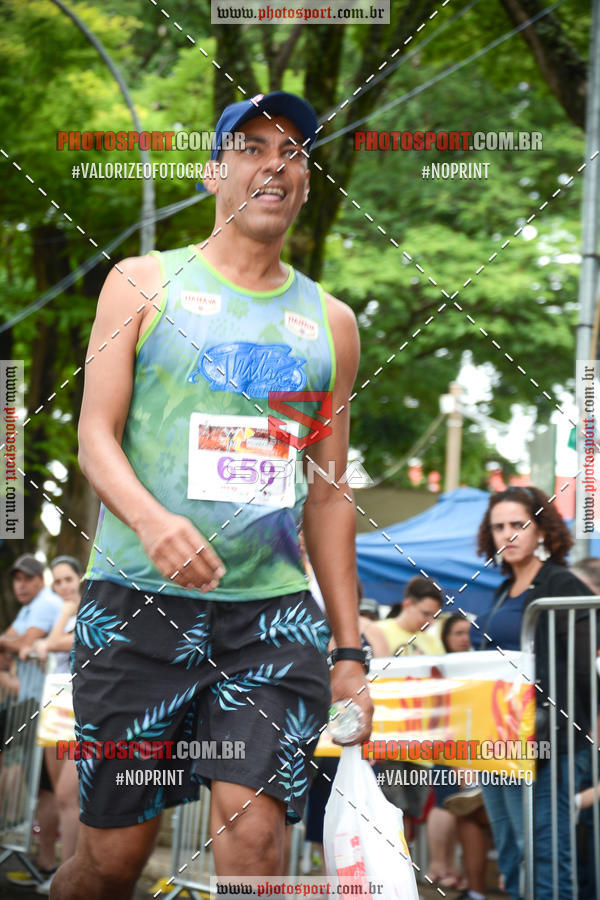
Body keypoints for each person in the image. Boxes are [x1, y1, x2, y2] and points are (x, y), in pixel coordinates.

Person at [52, 91, 373, 900]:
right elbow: (95, 434)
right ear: (213, 171)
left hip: (268, 616)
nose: (275, 163)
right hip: (136, 604)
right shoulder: (141, 282)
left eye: (292, 151)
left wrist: (347, 652)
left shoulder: (330, 322)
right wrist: (152, 520)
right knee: (114, 860)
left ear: (305, 179)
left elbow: (329, 494)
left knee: (257, 841)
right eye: (252, 146)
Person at [476, 485, 594, 900]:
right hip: (493, 741)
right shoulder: (497, 592)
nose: (507, 535)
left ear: (541, 530)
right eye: (498, 527)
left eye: (518, 525)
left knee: (545, 854)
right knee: (511, 852)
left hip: (550, 742)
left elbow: (585, 672)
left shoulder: (562, 583)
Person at [0, 555, 62, 888]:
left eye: (27, 579)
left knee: (46, 788)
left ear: (40, 580)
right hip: (28, 703)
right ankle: (44, 863)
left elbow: (18, 644)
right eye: (16, 579)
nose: (20, 585)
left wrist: (9, 649)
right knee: (42, 787)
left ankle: (48, 865)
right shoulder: (29, 609)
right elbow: (8, 645)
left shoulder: (45, 604)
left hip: (42, 706)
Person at [24, 557, 82, 895]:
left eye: (68, 579)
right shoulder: (64, 613)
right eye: (57, 581)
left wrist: (55, 628)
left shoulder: (84, 613)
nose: (63, 587)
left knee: (68, 793)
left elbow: (58, 642)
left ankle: (70, 872)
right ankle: (58, 869)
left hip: (78, 704)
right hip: (54, 702)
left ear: (80, 579)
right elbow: (43, 644)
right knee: (56, 795)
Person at [376, 576, 445, 657]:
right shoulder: (377, 632)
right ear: (407, 605)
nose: (431, 622)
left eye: (435, 616)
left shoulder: (433, 642)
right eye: (426, 614)